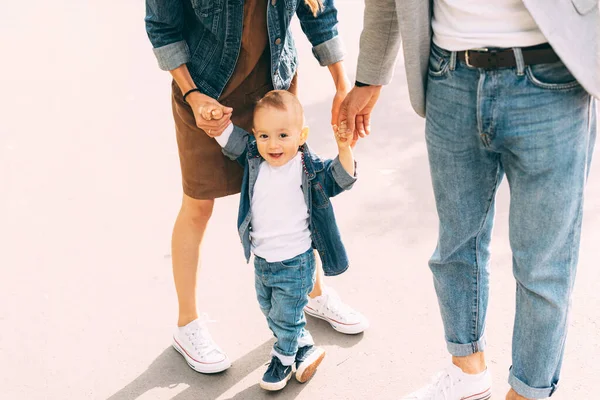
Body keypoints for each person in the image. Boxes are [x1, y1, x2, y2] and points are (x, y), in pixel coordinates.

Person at [340, 0, 598, 399]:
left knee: (544, 265)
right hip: (450, 75)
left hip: (554, 79)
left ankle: (528, 393)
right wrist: (368, 76)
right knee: (457, 245)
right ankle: (467, 374)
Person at [144, 0, 369, 374]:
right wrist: (192, 95)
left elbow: (319, 10)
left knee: (298, 190)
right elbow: (163, 28)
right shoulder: (198, 94)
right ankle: (187, 325)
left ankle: (310, 296)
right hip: (204, 92)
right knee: (198, 206)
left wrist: (342, 83)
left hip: (274, 86)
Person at [210, 89, 356, 391]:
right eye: (263, 136)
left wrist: (344, 149)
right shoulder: (254, 158)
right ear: (255, 135)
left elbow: (340, 179)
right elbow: (232, 139)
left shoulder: (308, 169)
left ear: (301, 135)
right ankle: (304, 348)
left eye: (282, 135)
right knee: (270, 310)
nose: (272, 144)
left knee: (285, 315)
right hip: (262, 260)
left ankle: (282, 359)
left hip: (295, 262)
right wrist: (214, 119)